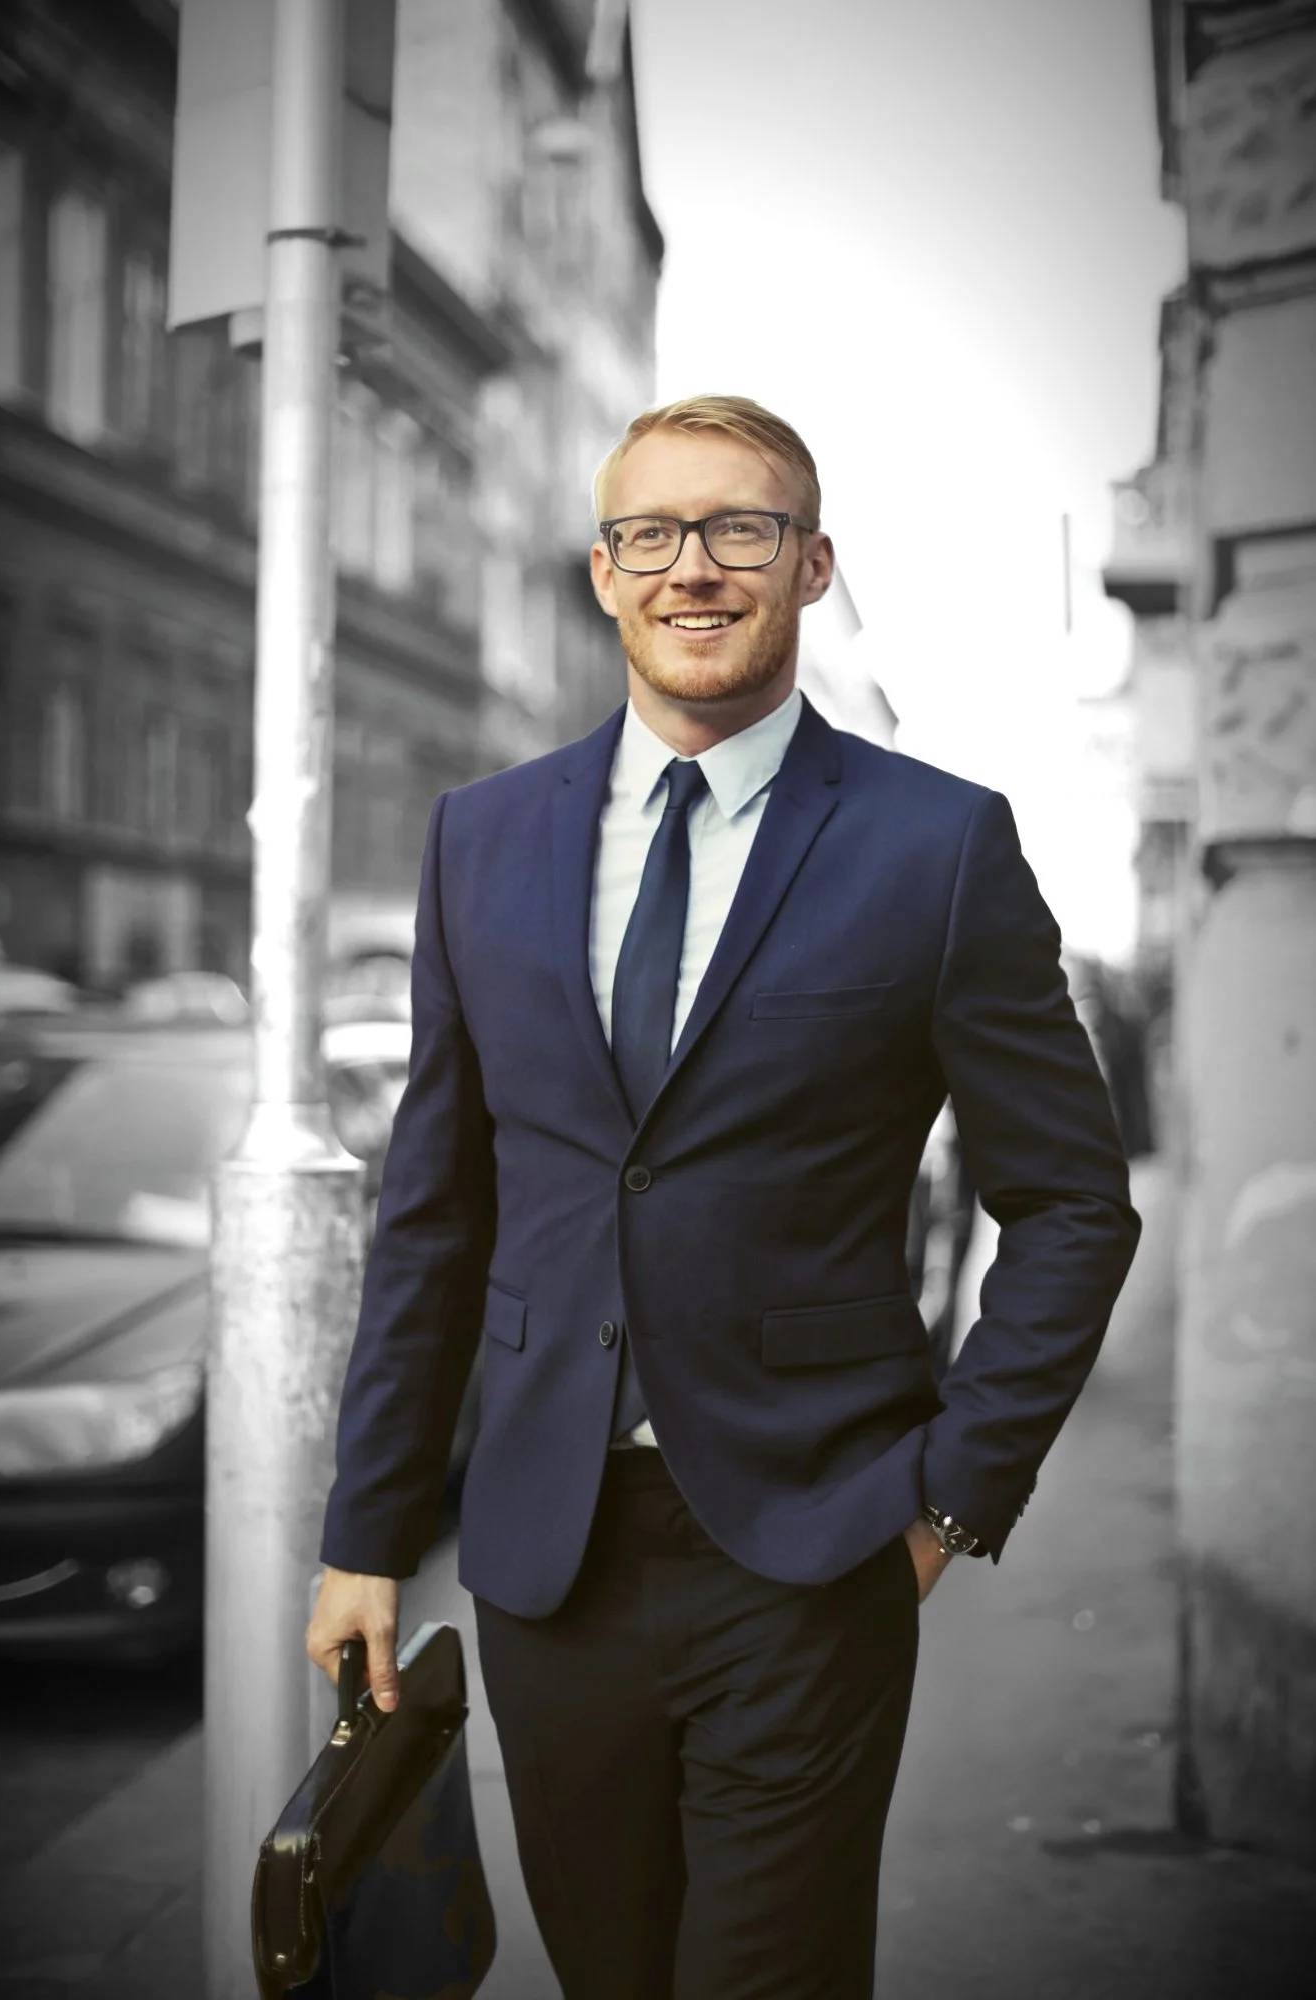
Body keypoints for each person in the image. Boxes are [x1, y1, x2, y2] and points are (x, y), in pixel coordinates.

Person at [308, 394, 1141, 1999]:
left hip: (812, 1551)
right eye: (650, 535)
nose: (692, 568)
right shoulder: (480, 840)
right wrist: (365, 1536)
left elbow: (1069, 1205)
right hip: (547, 1556)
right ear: (604, 574)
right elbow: (434, 1215)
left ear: (808, 565)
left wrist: (953, 1493)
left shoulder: (936, 845)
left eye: (737, 530)